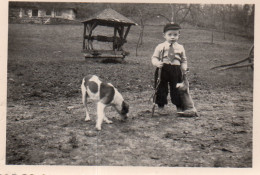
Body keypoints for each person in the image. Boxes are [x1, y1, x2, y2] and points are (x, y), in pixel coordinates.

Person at [151, 22, 188, 115]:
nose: (172, 37)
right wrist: (156, 63)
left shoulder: (180, 47)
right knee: (161, 88)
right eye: (170, 34)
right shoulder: (160, 46)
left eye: (175, 35)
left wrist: (184, 68)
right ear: (164, 35)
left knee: (177, 88)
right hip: (163, 69)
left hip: (176, 70)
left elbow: (184, 60)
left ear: (179, 35)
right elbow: (154, 57)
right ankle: (161, 106)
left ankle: (179, 106)